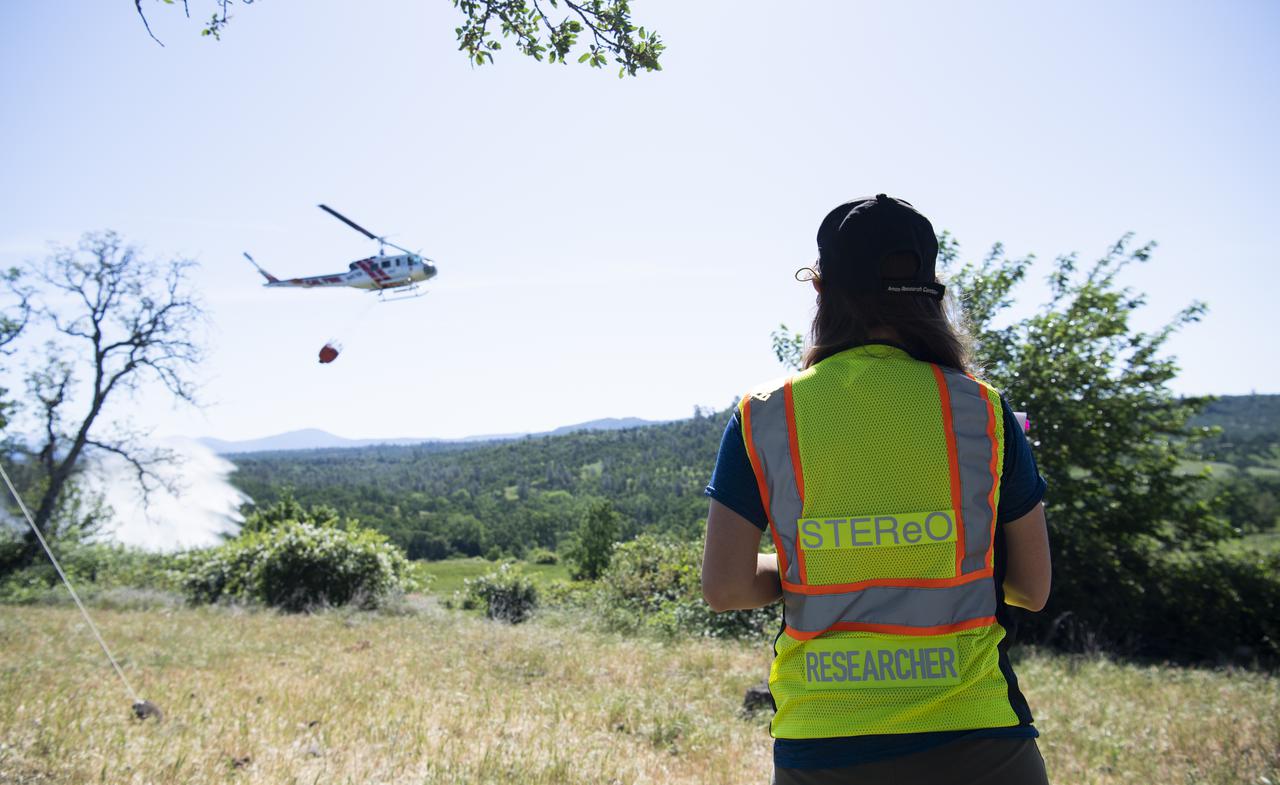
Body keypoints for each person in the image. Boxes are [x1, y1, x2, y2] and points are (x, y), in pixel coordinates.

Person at [702, 194, 1052, 785]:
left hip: (826, 743)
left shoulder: (767, 416)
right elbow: (1031, 587)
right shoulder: (984, 412)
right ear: (930, 293)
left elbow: (727, 588)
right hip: (980, 738)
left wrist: (819, 561)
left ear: (821, 292)